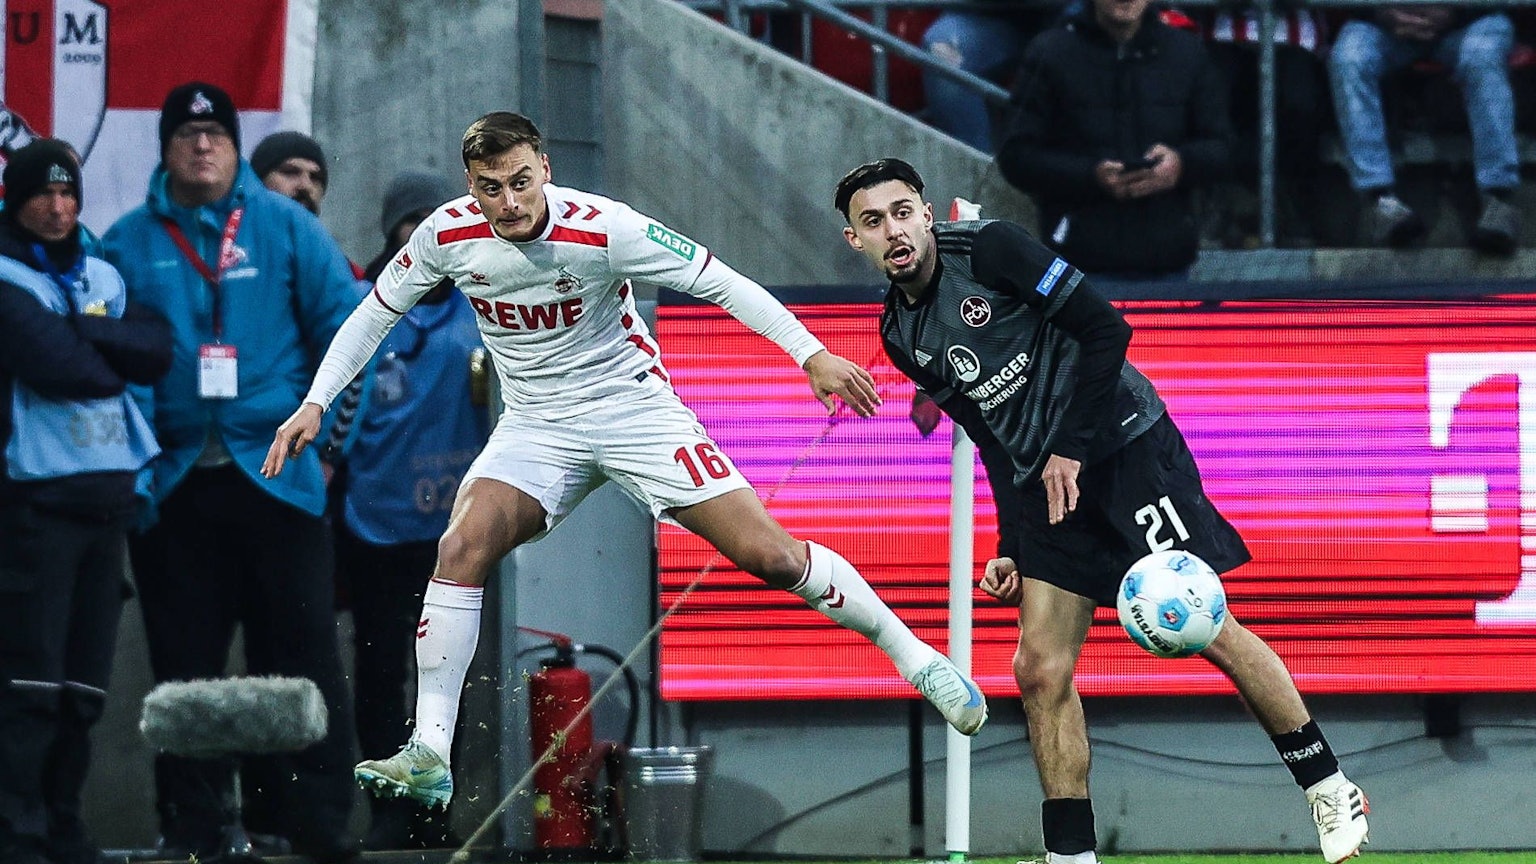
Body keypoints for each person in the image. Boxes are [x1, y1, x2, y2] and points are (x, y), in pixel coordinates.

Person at [261, 111, 989, 808]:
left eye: (521, 181)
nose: (509, 203)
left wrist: (811, 354)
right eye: (491, 187)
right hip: (536, 426)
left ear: (545, 169)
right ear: (470, 185)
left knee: (769, 556)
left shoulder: (606, 227)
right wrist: (318, 401)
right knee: (460, 545)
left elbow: (719, 279)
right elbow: (372, 315)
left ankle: (915, 657)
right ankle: (429, 753)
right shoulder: (445, 236)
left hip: (632, 411)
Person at [833, 158, 1370, 864]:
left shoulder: (992, 250)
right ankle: (1072, 856)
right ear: (856, 241)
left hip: (1123, 448)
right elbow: (990, 436)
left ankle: (1329, 785)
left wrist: (1070, 448)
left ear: (928, 215)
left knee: (1207, 622)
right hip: (1047, 486)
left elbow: (1106, 330)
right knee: (1040, 670)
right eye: (873, 221)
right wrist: (1011, 545)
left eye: (903, 211)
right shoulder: (902, 337)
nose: (893, 230)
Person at [101, 81, 360, 863]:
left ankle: (317, 822)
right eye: (187, 134)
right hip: (176, 488)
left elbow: (348, 335)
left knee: (306, 654)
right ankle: (194, 825)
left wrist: (325, 442)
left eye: (216, 134)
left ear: (237, 146)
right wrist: (135, 474)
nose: (202, 146)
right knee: (185, 670)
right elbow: (107, 366)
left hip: (277, 481)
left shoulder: (284, 228)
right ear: (167, 147)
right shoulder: (127, 241)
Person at [0, 139, 170, 864]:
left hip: (110, 508)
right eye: (43, 192)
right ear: (16, 199)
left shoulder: (102, 270)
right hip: (36, 507)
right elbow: (70, 371)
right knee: (29, 688)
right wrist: (106, 344)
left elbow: (157, 349)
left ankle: (65, 828)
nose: (59, 206)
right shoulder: (6, 275)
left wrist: (88, 329)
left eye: (69, 194)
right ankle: (20, 835)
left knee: (81, 690)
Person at [329, 170, 477, 850]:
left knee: (446, 673)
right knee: (383, 668)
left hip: (460, 526)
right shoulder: (364, 304)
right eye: (407, 221)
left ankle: (435, 811)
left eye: (434, 218)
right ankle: (390, 809)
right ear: (390, 233)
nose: (422, 232)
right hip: (375, 521)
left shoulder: (485, 301)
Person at [995, 0, 1231, 281]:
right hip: (1078, 267)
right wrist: (1091, 176)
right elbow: (1016, 155)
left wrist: (1180, 165)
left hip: (1168, 263)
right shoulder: (1051, 53)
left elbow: (1222, 147)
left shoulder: (1187, 53)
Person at [1328, 5, 1522, 253]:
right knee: (1350, 58)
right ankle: (1380, 201)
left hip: (1475, 18)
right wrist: (1381, 11)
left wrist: (1455, 12)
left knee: (1481, 55)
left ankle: (1499, 200)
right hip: (1384, 21)